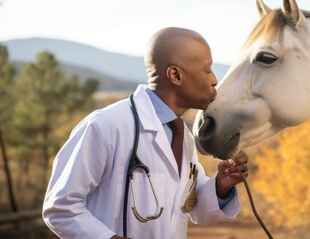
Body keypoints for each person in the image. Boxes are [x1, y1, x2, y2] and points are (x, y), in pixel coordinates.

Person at [42, 27, 249, 239]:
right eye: (207, 70)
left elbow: (191, 208)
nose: (214, 80)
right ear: (175, 75)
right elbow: (60, 208)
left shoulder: (182, 137)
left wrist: (220, 186)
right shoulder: (105, 126)